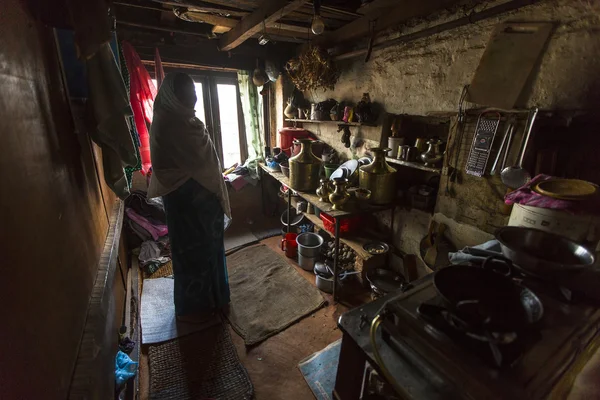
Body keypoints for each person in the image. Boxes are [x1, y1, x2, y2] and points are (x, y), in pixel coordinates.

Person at [147, 72, 231, 321]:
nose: (194, 98)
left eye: (194, 93)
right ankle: (197, 308)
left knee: (208, 253)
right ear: (175, 97)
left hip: (201, 202)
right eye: (188, 94)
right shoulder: (169, 123)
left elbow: (201, 163)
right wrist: (194, 186)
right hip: (186, 204)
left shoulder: (183, 120)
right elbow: (166, 167)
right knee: (192, 256)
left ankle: (215, 298)